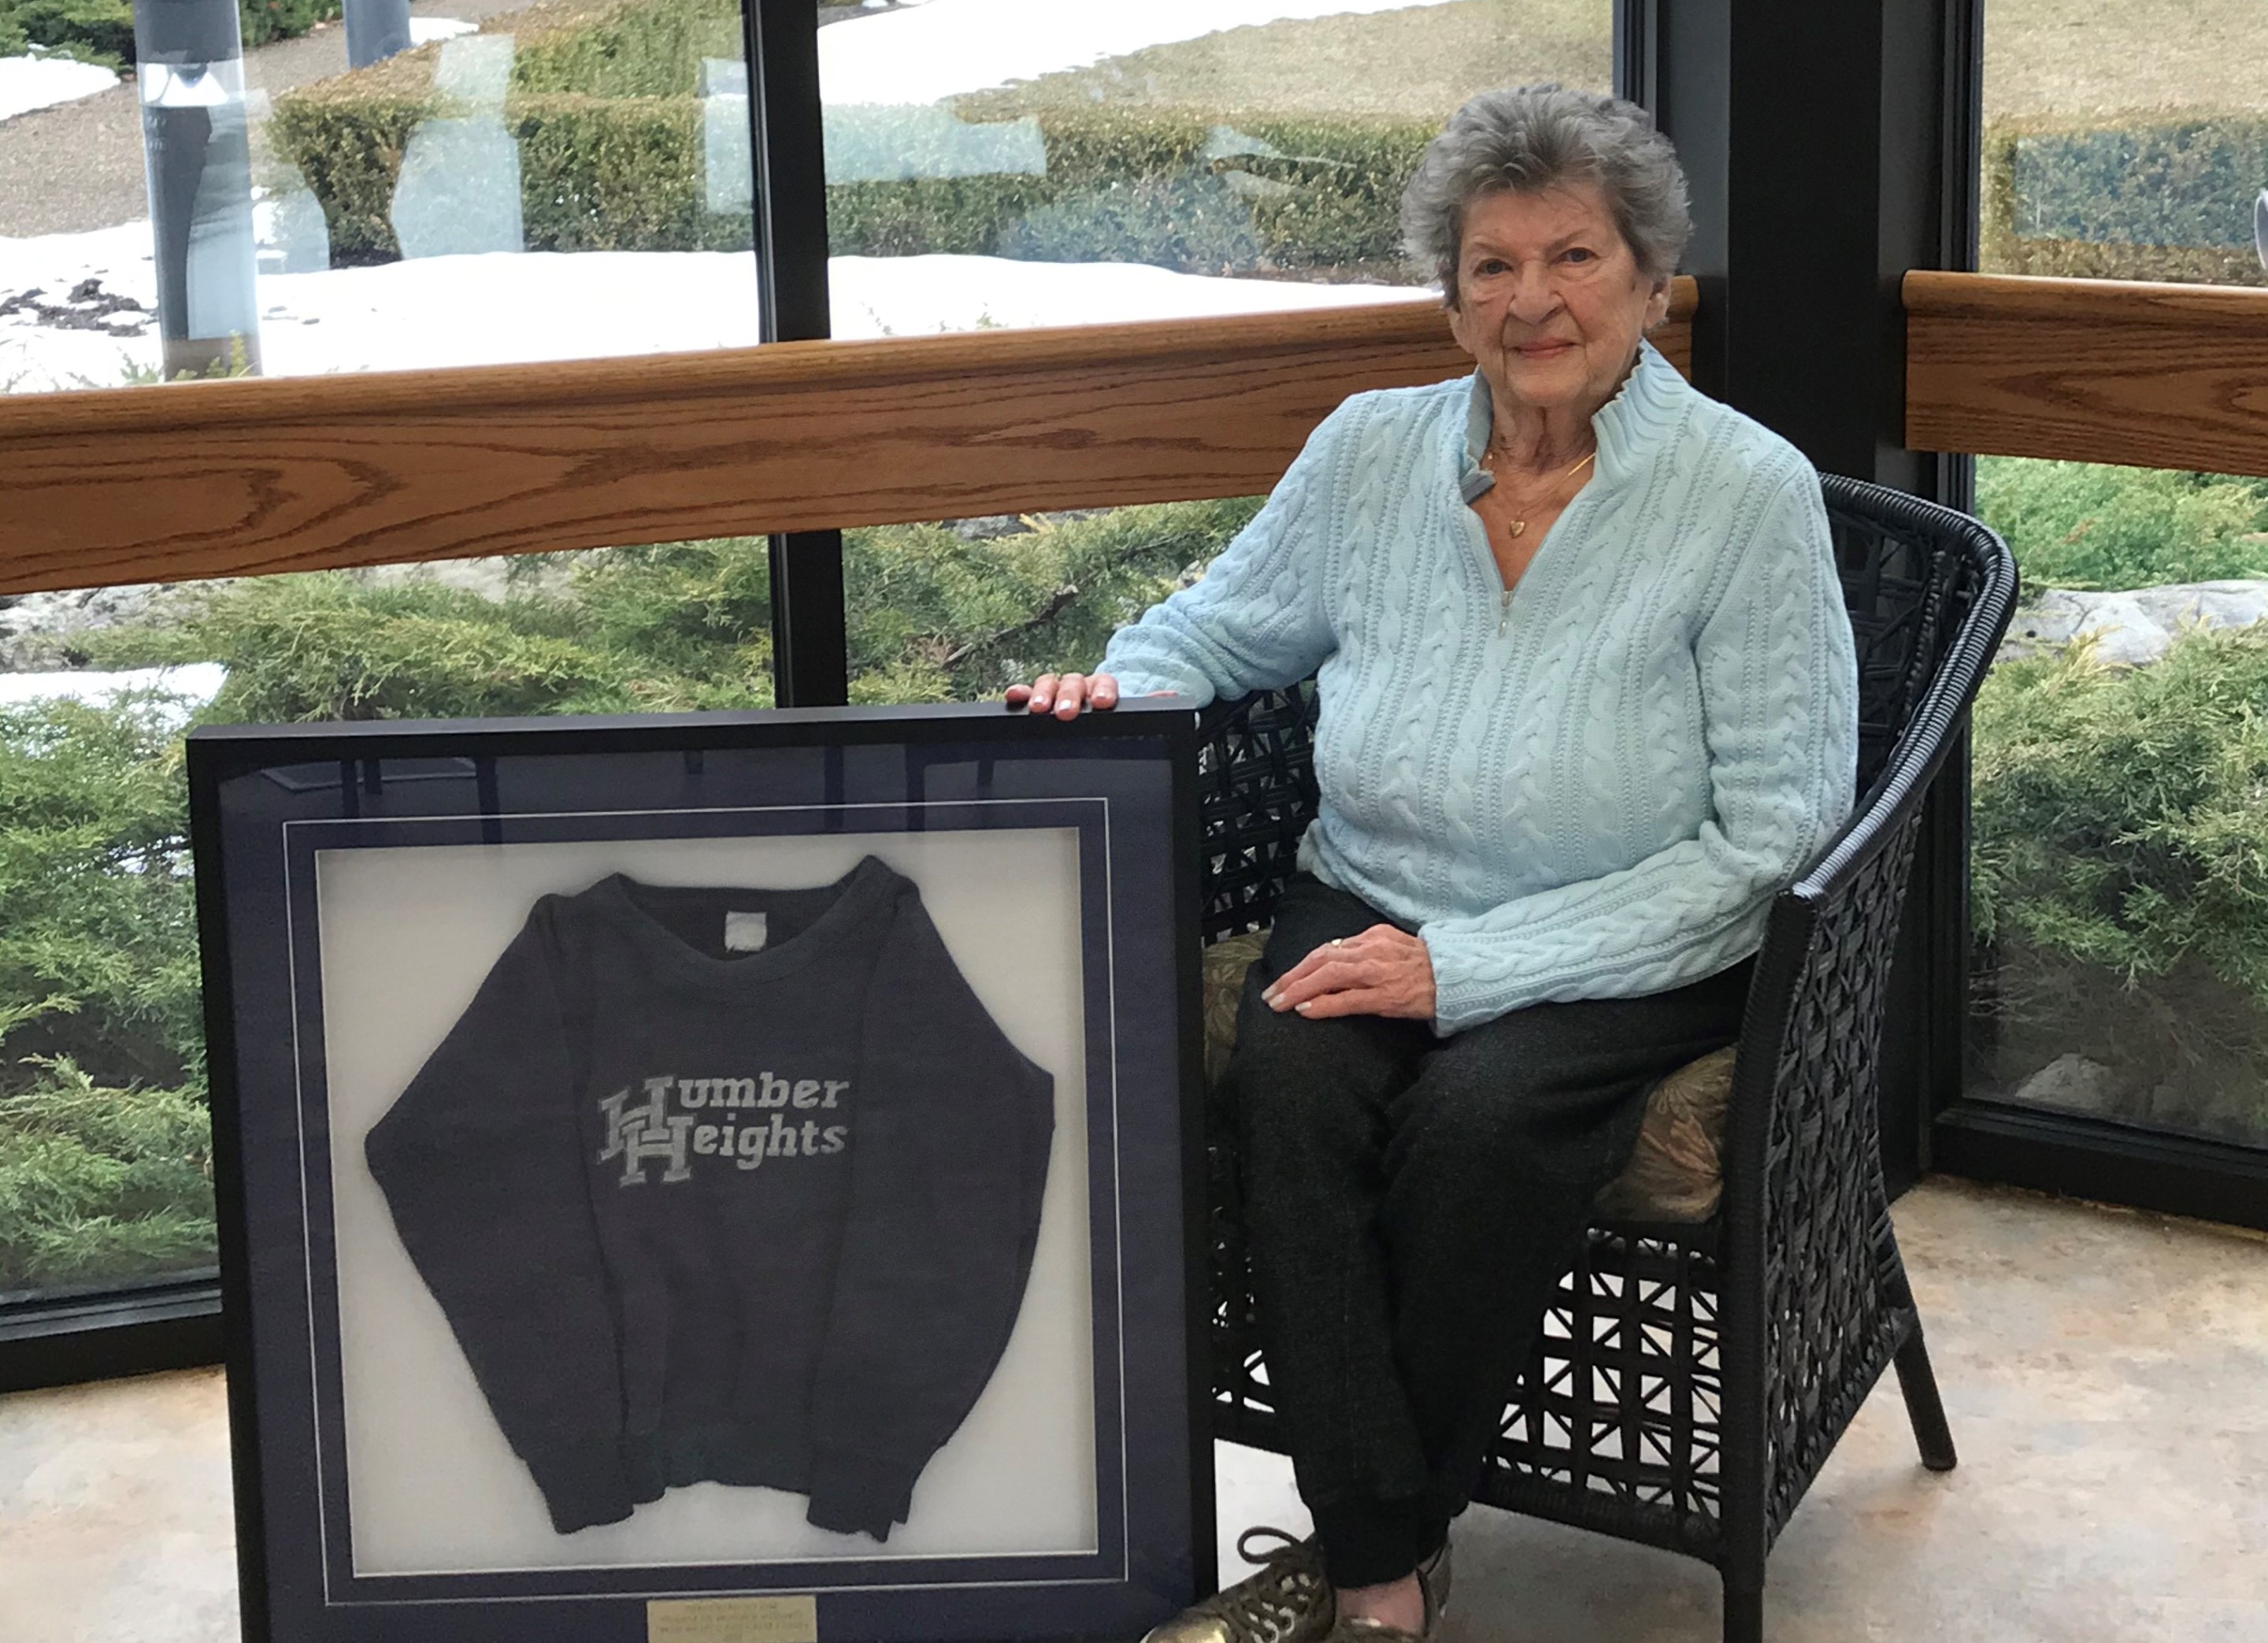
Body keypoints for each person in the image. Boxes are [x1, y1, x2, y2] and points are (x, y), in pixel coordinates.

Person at [1006, 83, 1857, 1643]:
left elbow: (1776, 836)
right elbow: (1215, 627)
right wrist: (1114, 686)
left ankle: (1363, 1566)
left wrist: (1471, 971)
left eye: (1576, 256)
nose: (1532, 299)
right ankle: (1390, 1562)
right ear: (1451, 292)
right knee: (1288, 1080)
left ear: (1651, 280)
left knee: (1476, 1128)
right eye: (1490, 263)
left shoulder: (1748, 496)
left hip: (1630, 924)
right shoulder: (1369, 451)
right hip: (1369, 876)